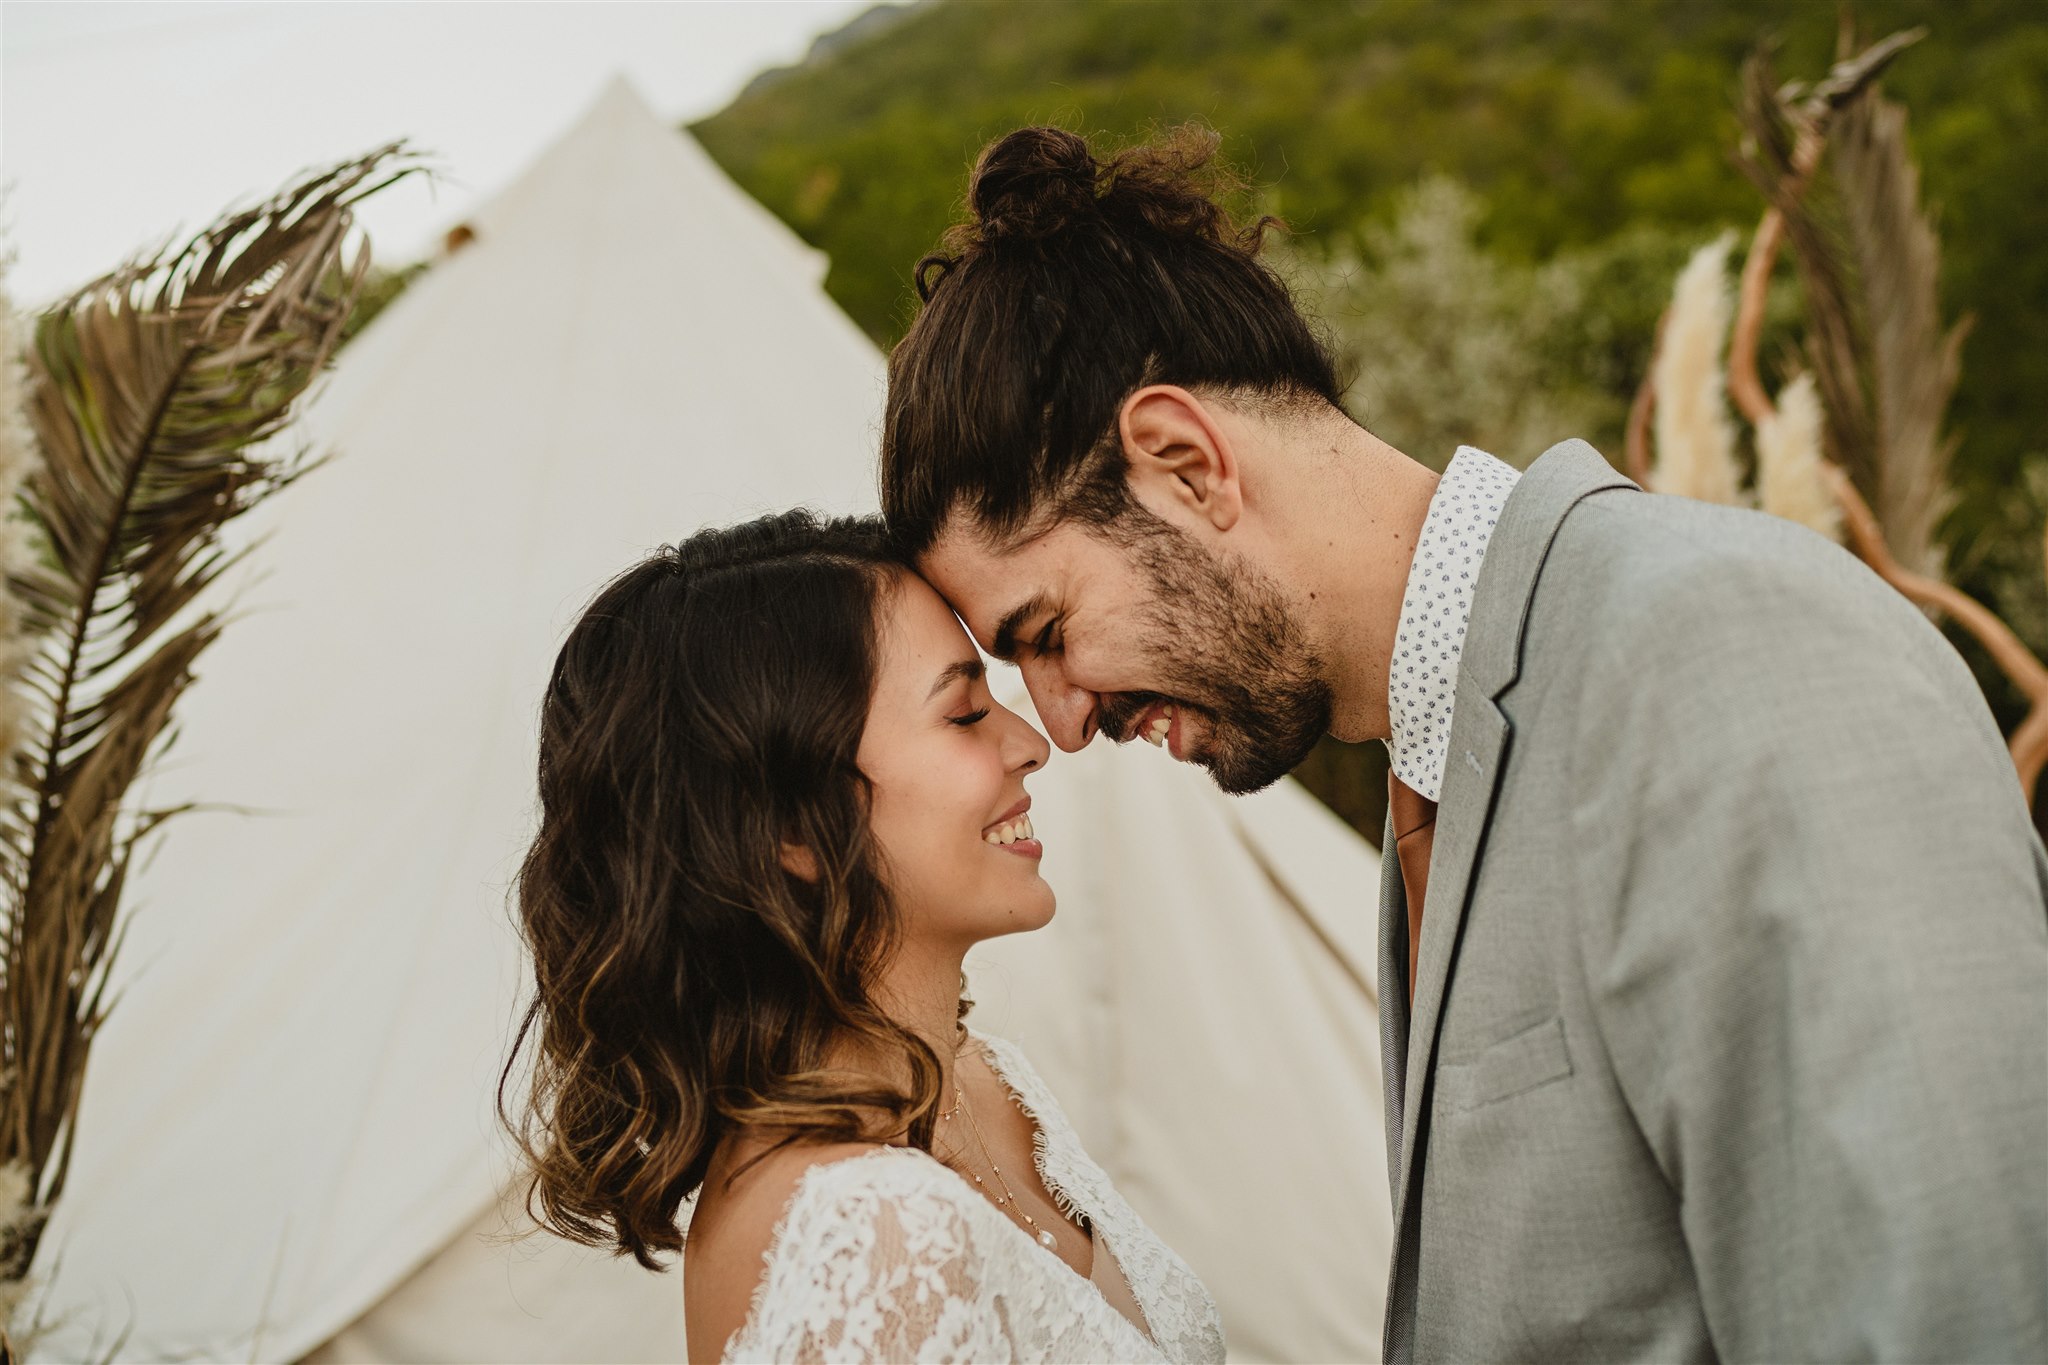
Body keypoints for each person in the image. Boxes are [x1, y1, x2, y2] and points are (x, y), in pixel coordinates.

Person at [880, 123, 2048, 1363]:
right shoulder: (1442, 764)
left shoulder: (1718, 649)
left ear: (1182, 463)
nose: (1059, 723)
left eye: (1047, 631)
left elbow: (1946, 1300)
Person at [501, 510, 1226, 1364]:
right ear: (790, 832)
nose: (1031, 744)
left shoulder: (987, 1082)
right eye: (963, 713)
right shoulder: (875, 1231)